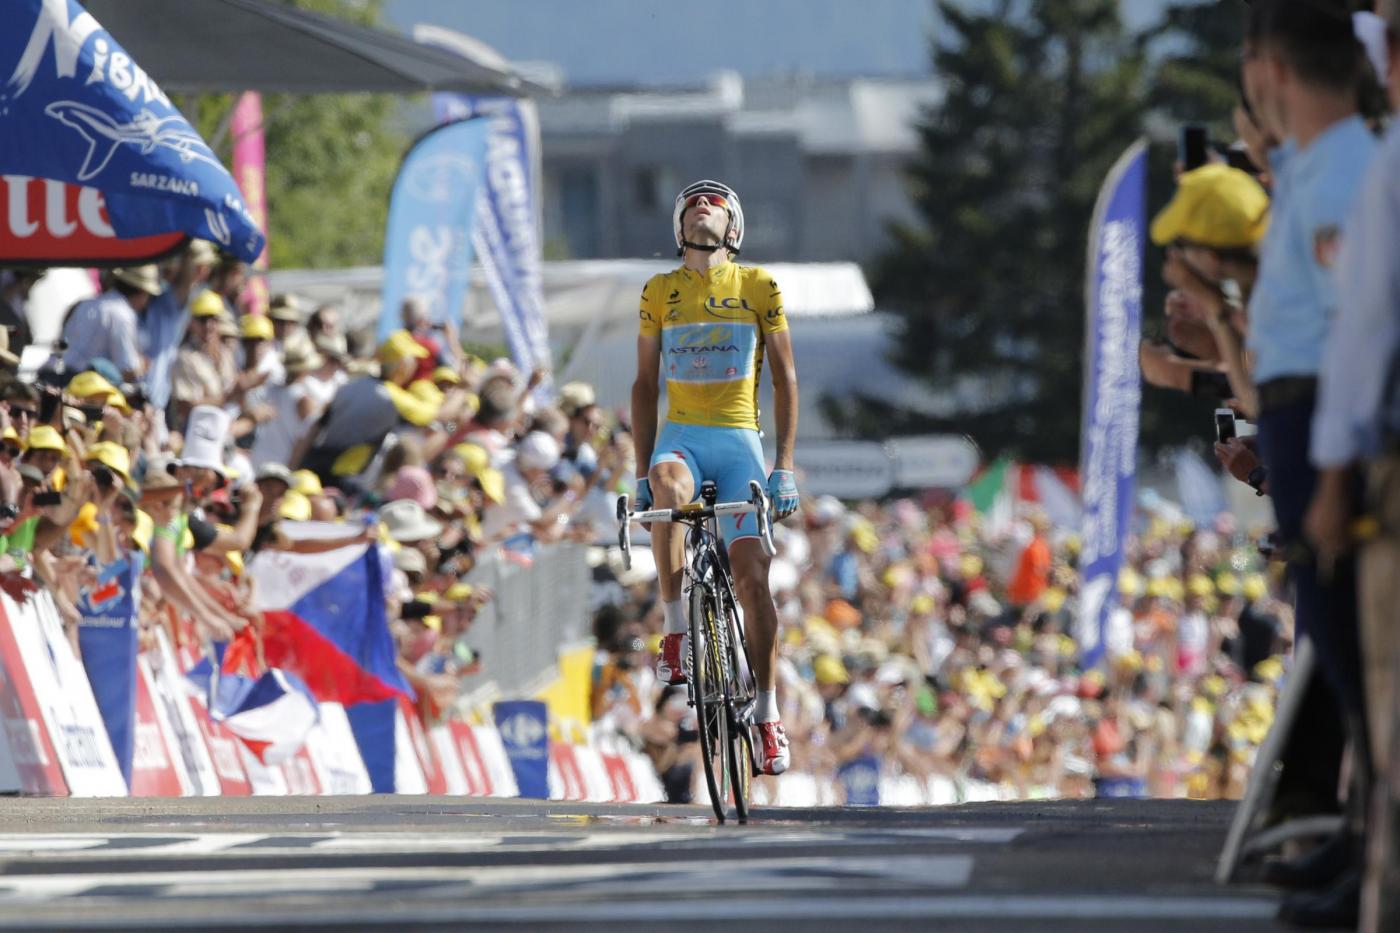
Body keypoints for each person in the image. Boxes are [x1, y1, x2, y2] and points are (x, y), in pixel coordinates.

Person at [1240, 0, 1378, 924]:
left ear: (1277, 71)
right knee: (1338, 643)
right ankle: (1364, 840)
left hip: (1320, 412)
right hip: (1298, 411)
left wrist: (1331, 471)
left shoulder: (1342, 173)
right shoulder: (1318, 164)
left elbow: (1347, 336)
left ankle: (1373, 856)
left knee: (1351, 647)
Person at [631, 179, 800, 776]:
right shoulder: (659, 290)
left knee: (753, 579)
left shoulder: (758, 285)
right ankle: (677, 627)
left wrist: (783, 467)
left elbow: (784, 378)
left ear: (734, 227)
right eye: (693, 203)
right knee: (667, 487)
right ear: (679, 228)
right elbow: (644, 385)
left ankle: (768, 712)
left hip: (738, 443)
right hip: (681, 437)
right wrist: (640, 471)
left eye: (717, 203)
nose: (704, 205)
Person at [61, 266, 162, 380]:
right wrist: (142, 366)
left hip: (56, 374)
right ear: (142, 293)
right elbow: (127, 368)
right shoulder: (123, 314)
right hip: (79, 382)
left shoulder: (85, 304)